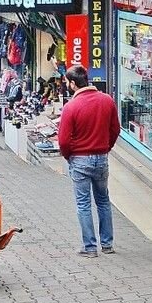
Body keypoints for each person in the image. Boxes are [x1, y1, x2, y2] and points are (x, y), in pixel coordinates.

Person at [57, 65, 120, 257]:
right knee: (103, 201)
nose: (66, 85)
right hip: (101, 158)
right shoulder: (107, 100)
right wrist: (105, 148)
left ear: (73, 84)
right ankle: (107, 244)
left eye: (67, 82)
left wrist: (70, 156)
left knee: (83, 204)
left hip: (79, 160)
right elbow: (115, 129)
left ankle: (90, 247)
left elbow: (63, 140)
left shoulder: (71, 107)